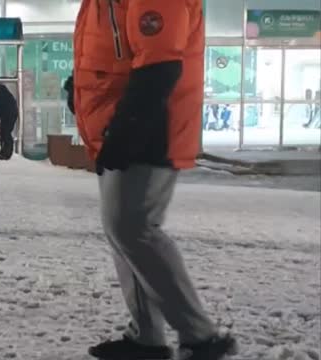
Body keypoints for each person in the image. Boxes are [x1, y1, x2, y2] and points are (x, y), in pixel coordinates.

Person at [70, 0, 237, 359]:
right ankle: (147, 336)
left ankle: (201, 337)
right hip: (117, 125)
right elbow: (111, 57)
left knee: (133, 228)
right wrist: (80, 89)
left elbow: (159, 67)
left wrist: (128, 128)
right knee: (123, 231)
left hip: (150, 129)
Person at [0, 84, 18, 160]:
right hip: (10, 115)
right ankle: (4, 152)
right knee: (5, 133)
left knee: (5, 133)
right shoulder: (5, 94)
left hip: (8, 116)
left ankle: (6, 153)